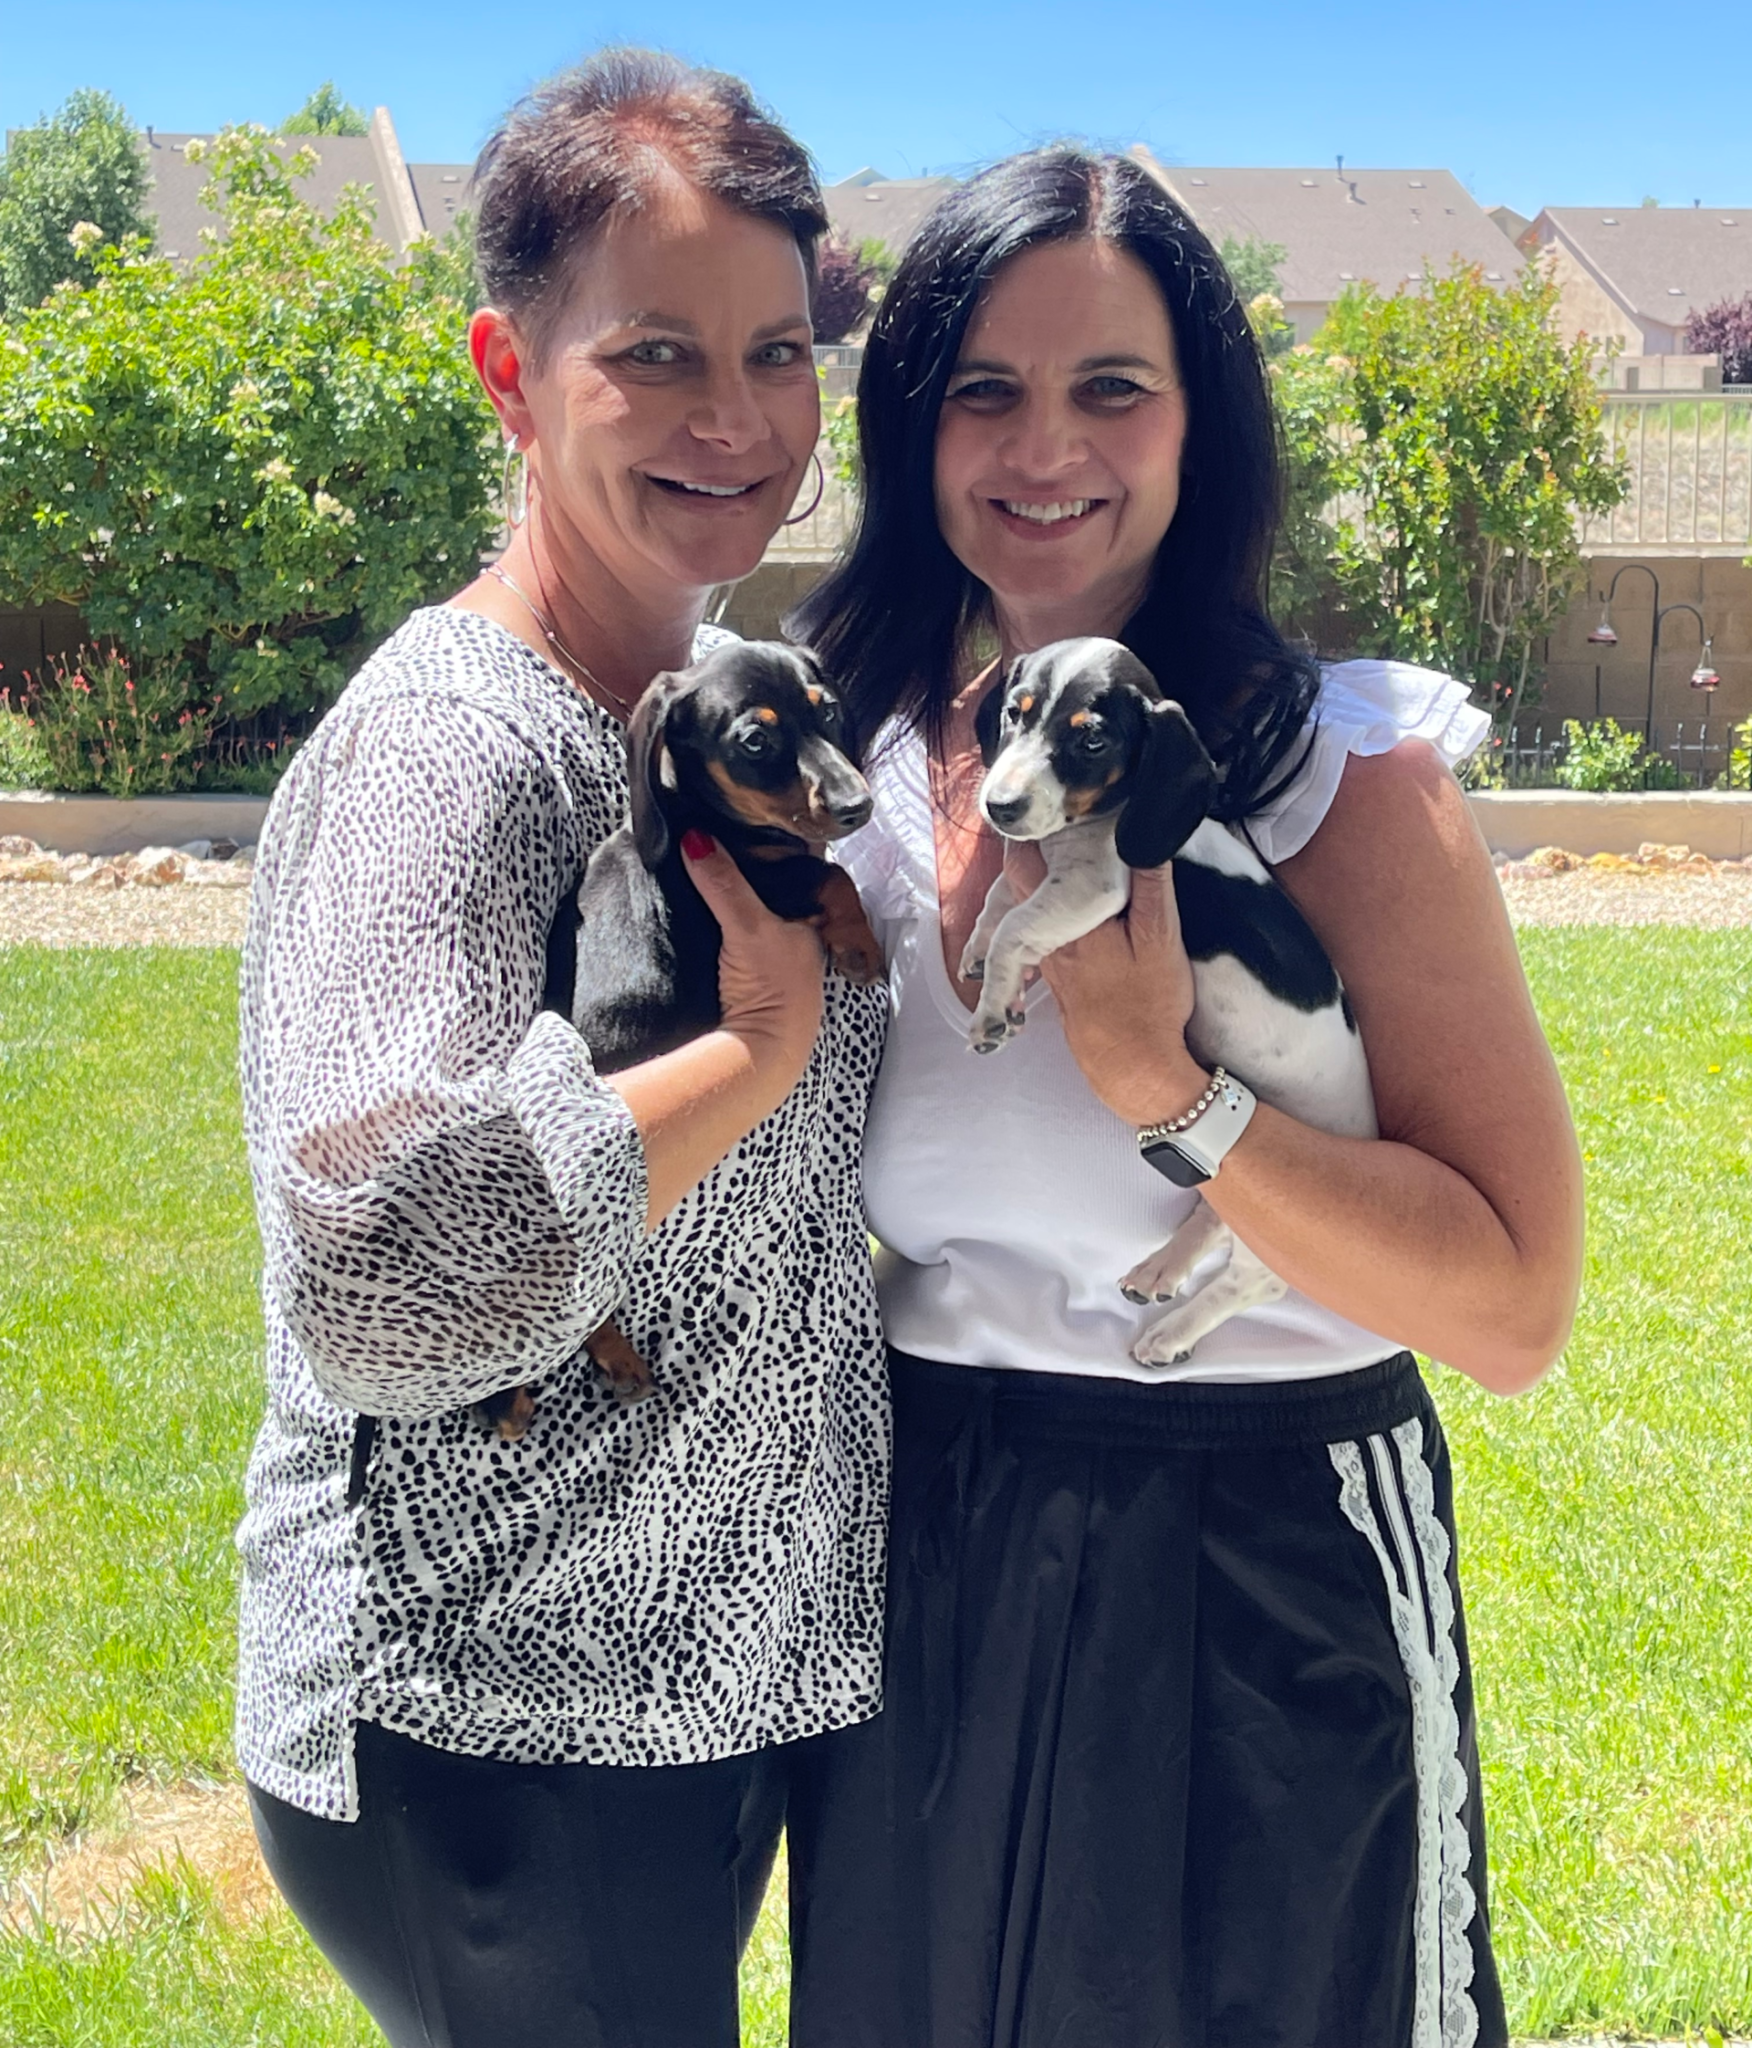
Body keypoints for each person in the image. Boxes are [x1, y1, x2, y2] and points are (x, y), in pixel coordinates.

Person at [787, 147, 1583, 2048]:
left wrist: (1169, 1088)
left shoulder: (1348, 780)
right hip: (936, 1551)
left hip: (1269, 1555)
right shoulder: (863, 784)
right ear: (912, 428)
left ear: (1198, 427)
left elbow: (1512, 1304)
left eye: (1111, 387)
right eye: (983, 386)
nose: (1042, 445)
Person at [235, 51, 888, 2048]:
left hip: (681, 1686)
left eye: (779, 352)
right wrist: (761, 1048)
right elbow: (373, 1268)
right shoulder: (453, 752)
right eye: (658, 354)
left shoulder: (702, 705)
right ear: (512, 376)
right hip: (492, 1719)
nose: (737, 417)